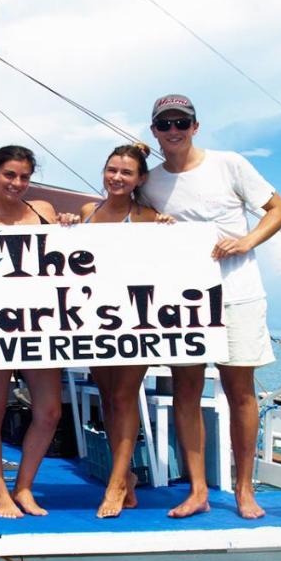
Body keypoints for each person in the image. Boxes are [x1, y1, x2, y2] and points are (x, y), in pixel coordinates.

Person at [143, 94, 281, 520]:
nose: (174, 130)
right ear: (154, 130)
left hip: (239, 293)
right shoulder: (150, 182)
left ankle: (245, 489)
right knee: (185, 393)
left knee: (240, 391)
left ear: (195, 126)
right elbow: (117, 210)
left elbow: (279, 209)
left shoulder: (230, 164)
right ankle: (197, 490)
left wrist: (247, 241)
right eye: (165, 124)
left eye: (181, 122)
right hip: (183, 301)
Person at [0, 146, 78, 518]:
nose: (17, 183)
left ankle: (25, 487)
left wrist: (67, 225)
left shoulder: (44, 212)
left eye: (24, 177)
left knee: (49, 412)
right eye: (9, 175)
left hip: (44, 326)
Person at [79, 142, 172, 517]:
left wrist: (170, 232)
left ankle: (116, 484)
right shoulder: (87, 212)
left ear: (140, 179)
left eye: (126, 172)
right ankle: (127, 475)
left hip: (135, 318)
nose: (117, 178)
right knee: (107, 397)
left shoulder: (149, 217)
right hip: (93, 318)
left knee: (124, 396)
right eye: (111, 170)